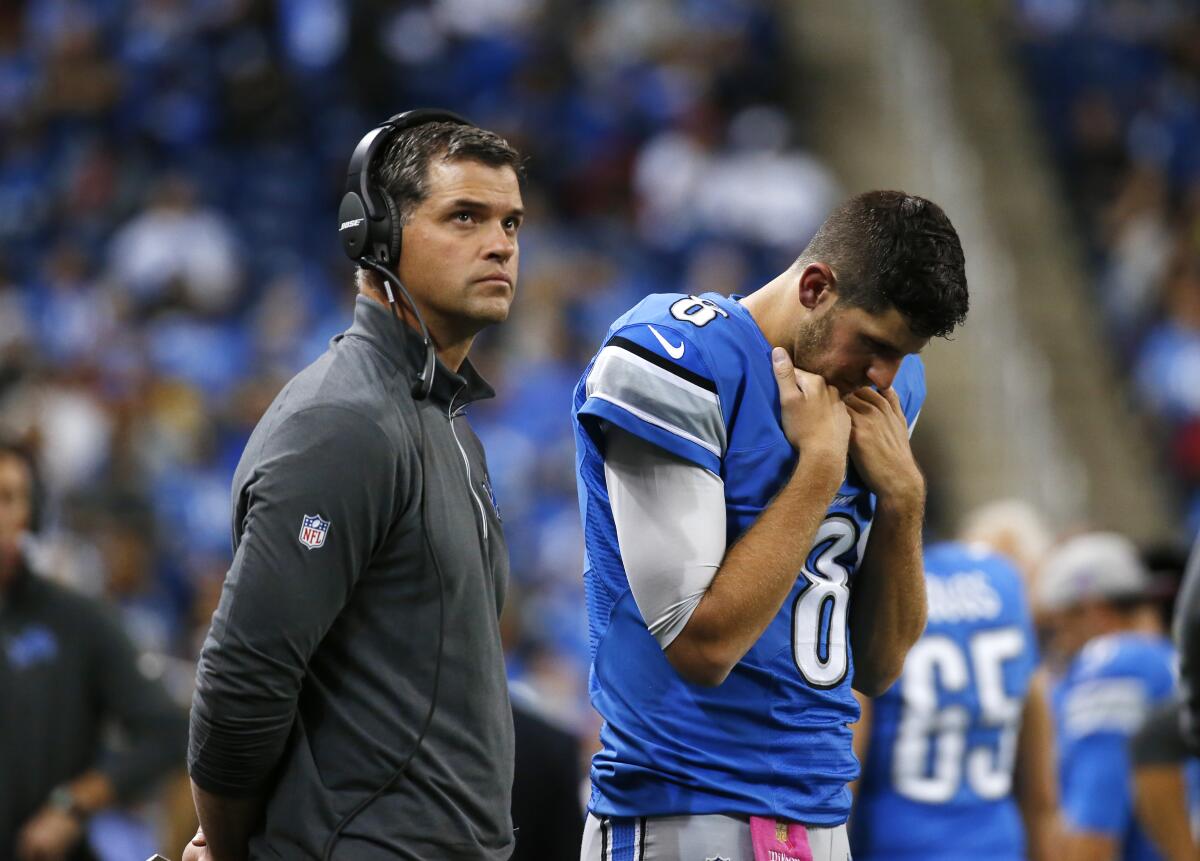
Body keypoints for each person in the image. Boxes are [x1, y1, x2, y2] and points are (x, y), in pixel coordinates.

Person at [571, 190, 969, 860]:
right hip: (684, 804)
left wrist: (904, 502)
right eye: (873, 343)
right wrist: (817, 467)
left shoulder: (887, 387)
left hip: (819, 811)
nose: (883, 377)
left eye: (903, 354)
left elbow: (880, 666)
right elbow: (704, 647)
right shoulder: (676, 355)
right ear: (815, 286)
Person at [184, 112, 525, 860]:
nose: (500, 243)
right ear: (371, 235)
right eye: (464, 216)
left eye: (510, 221)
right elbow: (243, 677)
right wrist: (237, 848)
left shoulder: (442, 419)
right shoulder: (343, 423)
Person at [0, 440, 188, 861]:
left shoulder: (76, 621)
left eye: (11, 498)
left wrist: (73, 803)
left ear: (30, 514)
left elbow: (167, 730)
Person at [850, 537, 1060, 861]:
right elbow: (1040, 787)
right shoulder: (1004, 582)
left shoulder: (886, 580)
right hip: (997, 843)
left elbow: (848, 756)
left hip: (899, 840)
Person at [1038, 532, 1178, 861]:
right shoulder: (1164, 660)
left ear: (1094, 613)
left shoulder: (1117, 663)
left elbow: (1094, 832)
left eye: (1058, 628)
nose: (1057, 644)